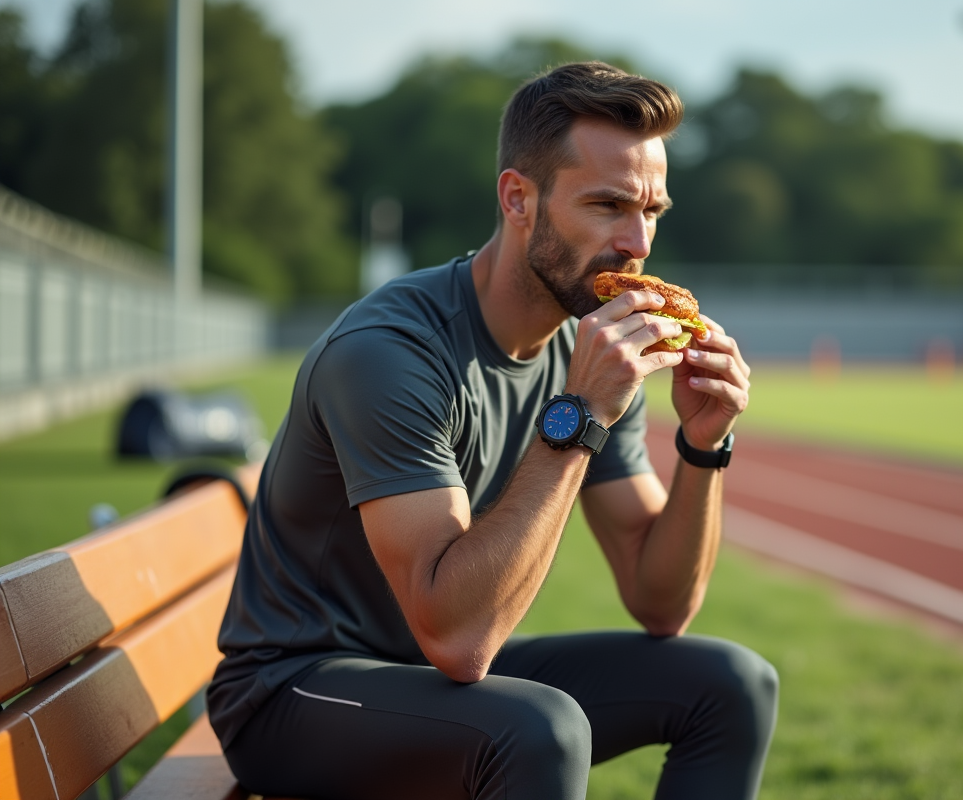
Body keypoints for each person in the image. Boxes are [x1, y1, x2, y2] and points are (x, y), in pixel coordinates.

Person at [207, 61, 778, 800]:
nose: (637, 241)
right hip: (293, 692)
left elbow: (659, 599)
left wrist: (703, 445)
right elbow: (459, 641)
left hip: (431, 672)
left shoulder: (592, 351)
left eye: (653, 210)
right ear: (518, 198)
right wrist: (578, 419)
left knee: (731, 683)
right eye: (606, 205)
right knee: (537, 728)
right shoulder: (390, 352)